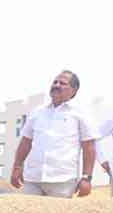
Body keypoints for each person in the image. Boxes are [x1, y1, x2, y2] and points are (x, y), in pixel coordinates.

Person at [10, 70, 98, 198]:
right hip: (33, 179)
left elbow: (89, 147)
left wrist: (86, 178)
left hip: (62, 181)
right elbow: (25, 142)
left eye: (62, 83)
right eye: (55, 82)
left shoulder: (81, 114)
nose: (56, 85)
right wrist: (17, 167)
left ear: (74, 90)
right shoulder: (37, 112)